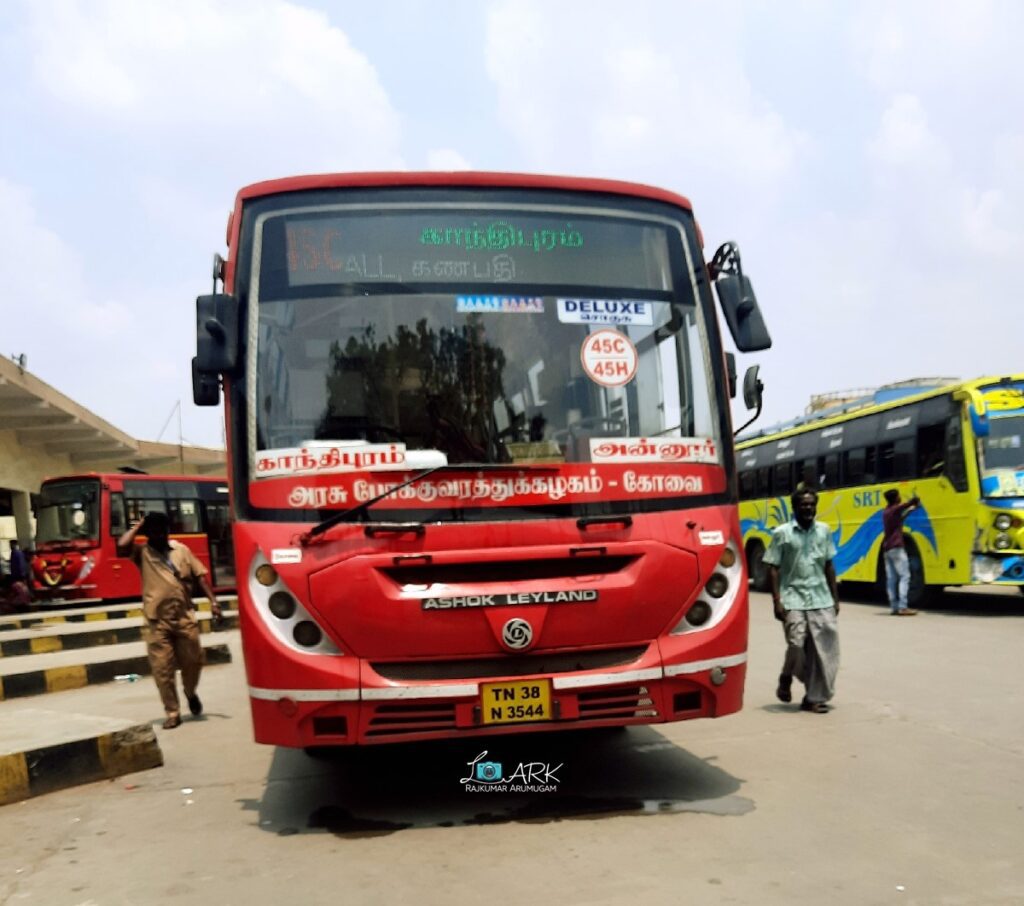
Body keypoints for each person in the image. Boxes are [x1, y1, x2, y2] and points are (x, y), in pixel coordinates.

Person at [118, 512, 222, 729]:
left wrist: (213, 602)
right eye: (152, 532)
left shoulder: (181, 550)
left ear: (167, 531)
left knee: (193, 661)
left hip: (184, 617)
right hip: (157, 622)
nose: (157, 536)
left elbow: (199, 576)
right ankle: (172, 712)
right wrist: (139, 526)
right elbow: (121, 546)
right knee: (162, 670)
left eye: (161, 531)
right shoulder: (142, 553)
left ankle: (190, 692)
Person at [764, 488, 841, 714]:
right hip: (792, 597)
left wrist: (835, 598)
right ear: (795, 508)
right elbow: (773, 568)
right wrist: (776, 601)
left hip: (820, 597)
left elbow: (829, 564)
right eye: (803, 505)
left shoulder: (824, 531)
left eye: (811, 504)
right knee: (797, 644)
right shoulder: (782, 533)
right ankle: (786, 676)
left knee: (824, 650)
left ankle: (813, 697)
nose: (808, 508)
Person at [882, 489, 921, 616]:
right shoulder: (894, 509)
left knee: (892, 579)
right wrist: (912, 502)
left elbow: (900, 518)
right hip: (896, 547)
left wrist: (911, 509)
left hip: (887, 549)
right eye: (899, 495)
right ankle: (903, 606)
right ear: (895, 498)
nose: (900, 497)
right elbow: (902, 507)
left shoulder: (886, 512)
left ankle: (894, 607)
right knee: (905, 576)